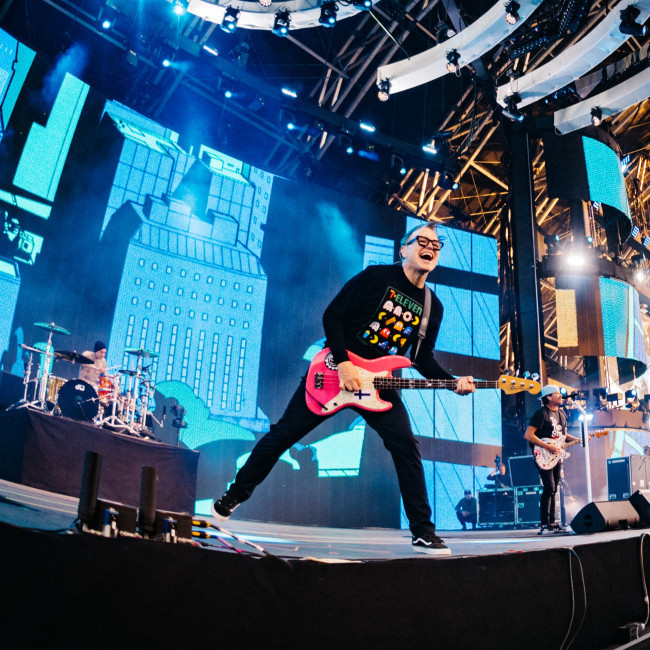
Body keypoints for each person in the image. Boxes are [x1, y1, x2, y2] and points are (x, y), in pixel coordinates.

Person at [211, 221, 476, 555]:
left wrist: (452, 383)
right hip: (335, 372)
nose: (430, 248)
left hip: (380, 385)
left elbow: (422, 359)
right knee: (283, 434)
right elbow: (333, 316)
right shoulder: (377, 276)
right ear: (404, 249)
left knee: (407, 448)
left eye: (436, 246)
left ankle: (422, 533)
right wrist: (345, 363)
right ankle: (235, 494)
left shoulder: (432, 306)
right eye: (422, 241)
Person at [523, 384, 580, 534]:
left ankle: (552, 523)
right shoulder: (541, 414)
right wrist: (548, 447)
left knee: (554, 489)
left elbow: (563, 436)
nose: (560, 395)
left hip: (556, 455)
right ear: (548, 397)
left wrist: (579, 439)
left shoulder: (562, 414)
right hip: (543, 455)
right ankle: (544, 524)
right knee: (549, 487)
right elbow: (528, 435)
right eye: (557, 393)